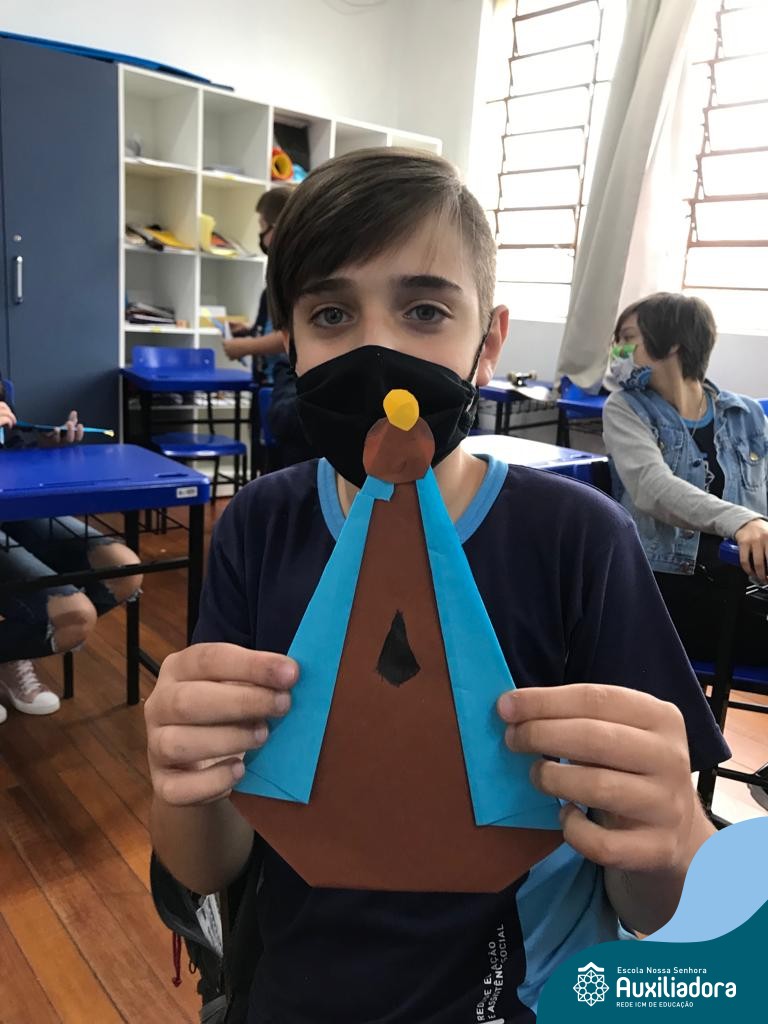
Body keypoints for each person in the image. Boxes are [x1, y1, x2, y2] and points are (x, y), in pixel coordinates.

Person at [145, 151, 729, 1024]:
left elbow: (659, 904)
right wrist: (179, 772)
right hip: (297, 992)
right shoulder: (260, 528)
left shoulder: (578, 542)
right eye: (332, 314)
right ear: (292, 342)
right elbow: (206, 862)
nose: (376, 351)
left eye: (424, 310)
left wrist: (673, 831)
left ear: (487, 342)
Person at [603, 292, 768, 665]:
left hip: (745, 587)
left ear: (672, 343)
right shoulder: (625, 409)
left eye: (627, 339)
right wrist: (743, 521)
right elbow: (652, 488)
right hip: (668, 591)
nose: (616, 351)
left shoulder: (745, 414)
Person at [0, 386, 143, 720]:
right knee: (74, 616)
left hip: (13, 508)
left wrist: (46, 446)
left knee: (123, 572)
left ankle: (10, 652)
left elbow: (12, 452)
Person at [222, 185, 316, 467]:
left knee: (282, 466)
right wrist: (249, 331)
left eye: (263, 226)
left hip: (288, 385)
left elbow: (295, 335)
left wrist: (246, 347)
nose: (261, 236)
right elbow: (277, 327)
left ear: (277, 228)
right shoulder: (280, 276)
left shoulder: (301, 275)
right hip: (272, 384)